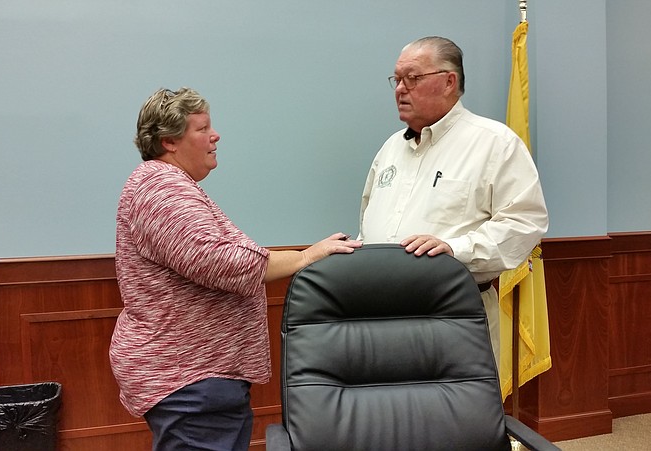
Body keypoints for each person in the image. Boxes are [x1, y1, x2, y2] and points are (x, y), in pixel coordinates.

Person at [110, 87, 361, 451]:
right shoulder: (161, 188)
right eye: (202, 128)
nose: (215, 136)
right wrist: (306, 257)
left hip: (197, 377)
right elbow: (222, 262)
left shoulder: (167, 184)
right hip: (191, 378)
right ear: (169, 142)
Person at [359, 36, 548, 364]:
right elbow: (368, 222)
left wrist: (454, 251)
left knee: (451, 413)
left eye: (413, 78)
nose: (400, 89)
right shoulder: (390, 149)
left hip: (452, 313)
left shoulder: (494, 144)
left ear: (449, 81)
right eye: (397, 79)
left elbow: (524, 223)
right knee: (388, 412)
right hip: (379, 314)